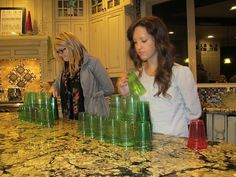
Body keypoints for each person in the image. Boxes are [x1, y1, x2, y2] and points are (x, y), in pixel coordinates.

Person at [117, 16, 202, 137]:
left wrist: (174, 129)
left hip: (175, 148)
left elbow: (194, 114)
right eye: (135, 42)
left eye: (144, 41)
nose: (138, 47)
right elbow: (133, 116)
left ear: (158, 40)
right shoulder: (136, 76)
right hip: (145, 143)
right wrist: (125, 95)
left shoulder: (180, 73)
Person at [50, 32, 114, 119]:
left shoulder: (93, 63)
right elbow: (56, 85)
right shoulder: (65, 68)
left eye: (62, 50)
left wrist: (93, 96)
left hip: (93, 118)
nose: (60, 55)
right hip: (70, 120)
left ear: (72, 45)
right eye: (58, 52)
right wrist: (53, 88)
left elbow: (109, 89)